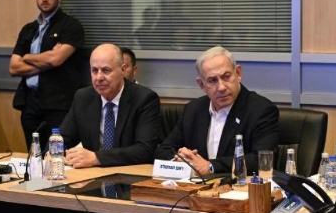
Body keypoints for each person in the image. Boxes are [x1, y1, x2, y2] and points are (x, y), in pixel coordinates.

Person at [155, 46, 279, 176]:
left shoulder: (261, 110)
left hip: (237, 186)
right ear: (202, 84)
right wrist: (181, 159)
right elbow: (163, 151)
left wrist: (210, 166)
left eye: (226, 77)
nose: (221, 87)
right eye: (212, 80)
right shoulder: (193, 109)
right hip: (196, 186)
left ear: (238, 74)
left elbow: (261, 160)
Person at [9, 0, 85, 151]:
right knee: (33, 154)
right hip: (30, 103)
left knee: (56, 155)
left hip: (58, 104)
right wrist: (46, 60)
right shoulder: (29, 29)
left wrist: (27, 57)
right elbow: (13, 67)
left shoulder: (71, 26)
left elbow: (56, 59)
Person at [59, 44, 161, 168]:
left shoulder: (144, 99)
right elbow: (63, 138)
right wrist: (53, 153)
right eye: (94, 70)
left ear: (123, 70)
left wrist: (97, 158)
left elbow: (145, 150)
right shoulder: (83, 97)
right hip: (91, 174)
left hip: (128, 174)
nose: (99, 77)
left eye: (106, 70)